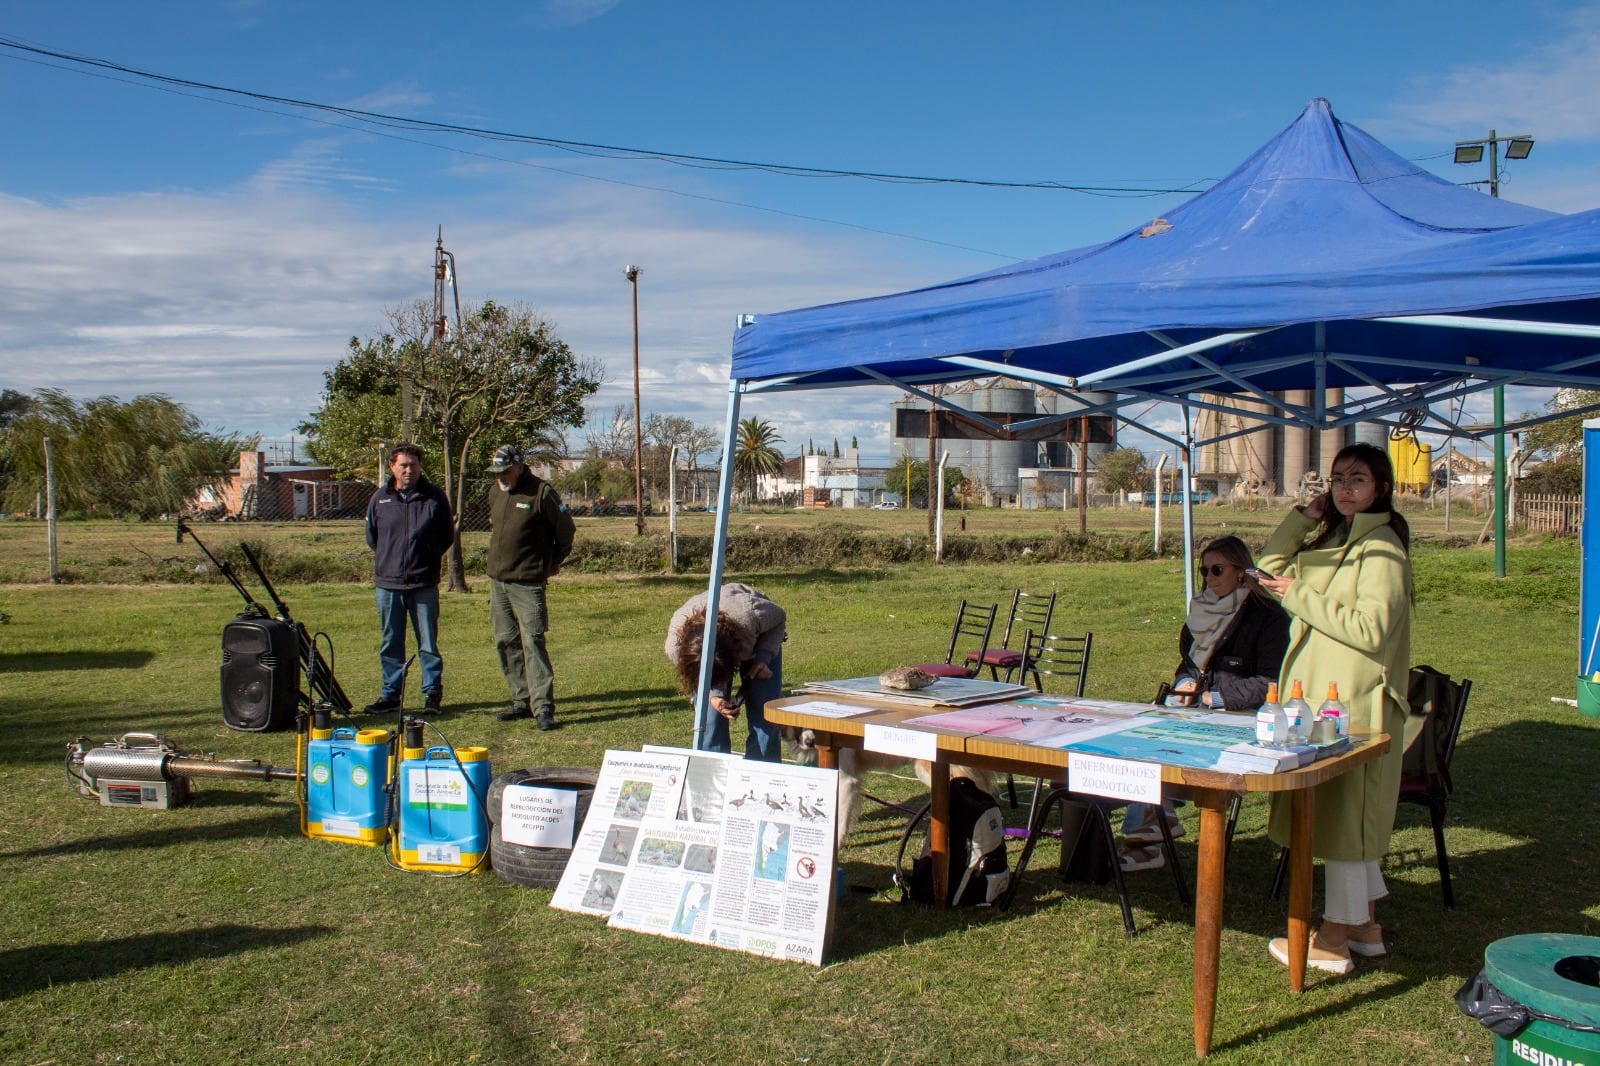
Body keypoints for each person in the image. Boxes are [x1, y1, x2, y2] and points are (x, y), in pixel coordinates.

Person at [1254, 442, 1413, 976]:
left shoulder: (1384, 548)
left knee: (1347, 821)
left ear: (1381, 488)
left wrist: (1300, 596)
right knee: (1336, 815)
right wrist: (1303, 517)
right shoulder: (1338, 536)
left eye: (1358, 480)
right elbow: (1270, 568)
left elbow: (1371, 629)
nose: (1345, 488)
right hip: (1321, 700)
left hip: (1357, 702)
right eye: (1338, 479)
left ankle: (1335, 937)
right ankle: (1366, 926)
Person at [1120, 535, 1290, 872]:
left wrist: (1216, 697)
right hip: (1197, 706)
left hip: (1245, 713)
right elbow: (1190, 662)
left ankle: (1153, 829)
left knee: (1174, 740)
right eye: (1205, 570)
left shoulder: (1268, 617)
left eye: (1217, 569)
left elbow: (1272, 682)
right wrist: (1185, 682)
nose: (1209, 578)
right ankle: (1156, 823)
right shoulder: (1201, 610)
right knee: (1145, 735)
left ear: (1241, 572)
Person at [487, 444, 575, 730]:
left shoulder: (541, 492)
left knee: (532, 642)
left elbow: (565, 529)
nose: (500, 477)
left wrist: (555, 560)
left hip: (528, 583)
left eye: (504, 471)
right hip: (498, 581)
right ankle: (520, 700)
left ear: (519, 465)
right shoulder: (495, 492)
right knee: (506, 640)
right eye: (496, 472)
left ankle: (543, 709)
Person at [363, 442, 454, 716]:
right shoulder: (380, 498)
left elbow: (446, 536)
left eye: (413, 465)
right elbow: (372, 537)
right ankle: (390, 695)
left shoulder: (434, 497)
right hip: (388, 584)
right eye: (403, 465)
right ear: (392, 466)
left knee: (427, 642)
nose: (409, 470)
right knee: (391, 641)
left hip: (423, 583)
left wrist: (424, 558)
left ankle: (432, 694)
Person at [665, 582, 785, 761]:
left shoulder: (749, 614)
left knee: (765, 714)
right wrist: (713, 696)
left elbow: (779, 618)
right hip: (719, 650)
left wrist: (763, 658)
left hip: (759, 637)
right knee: (710, 719)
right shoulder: (676, 647)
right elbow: (702, 676)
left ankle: (761, 774)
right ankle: (712, 773)